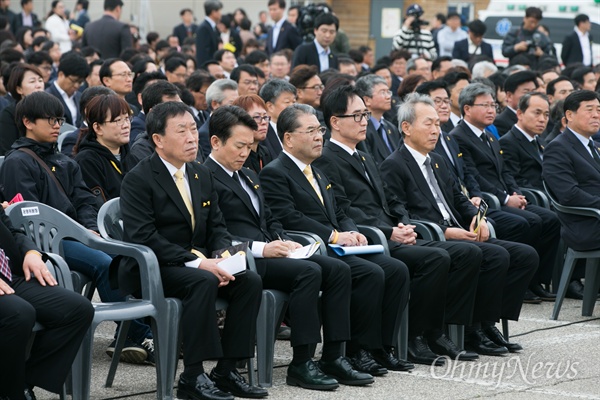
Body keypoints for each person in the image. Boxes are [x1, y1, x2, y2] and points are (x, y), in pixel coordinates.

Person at [205, 104, 373, 390]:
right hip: (242, 257)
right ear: (216, 142)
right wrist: (261, 248)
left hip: (271, 252)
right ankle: (302, 362)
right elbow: (214, 233)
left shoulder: (247, 175)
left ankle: (333, 355)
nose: (245, 152)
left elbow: (269, 219)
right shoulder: (205, 176)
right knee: (308, 273)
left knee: (337, 269)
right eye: (239, 145)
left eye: (250, 145)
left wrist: (283, 239)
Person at [314, 85, 482, 364]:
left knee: (466, 253)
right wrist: (389, 231)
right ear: (335, 121)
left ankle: (436, 332)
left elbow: (392, 200)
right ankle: (413, 337)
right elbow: (343, 208)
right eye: (357, 116)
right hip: (371, 237)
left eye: (365, 114)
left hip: (392, 233)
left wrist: (404, 224)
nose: (364, 121)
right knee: (435, 258)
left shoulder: (365, 156)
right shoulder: (326, 159)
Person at [119, 101, 267, 400]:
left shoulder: (200, 174)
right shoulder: (139, 178)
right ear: (158, 140)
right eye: (181, 131)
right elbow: (143, 235)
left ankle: (226, 371)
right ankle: (192, 376)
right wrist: (198, 263)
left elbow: (217, 228)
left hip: (197, 263)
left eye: (192, 128)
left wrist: (225, 255)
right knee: (204, 280)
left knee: (248, 279)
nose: (191, 137)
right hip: (154, 267)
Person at [0, 91, 155, 365]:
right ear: (27, 121)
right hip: (46, 242)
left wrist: (87, 228)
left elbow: (84, 199)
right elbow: (26, 213)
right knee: (105, 263)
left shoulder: (63, 159)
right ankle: (135, 334)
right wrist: (75, 232)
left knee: (126, 255)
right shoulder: (17, 161)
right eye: (49, 120)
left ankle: (141, 331)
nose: (57, 125)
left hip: (74, 235)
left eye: (59, 119)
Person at [380, 93, 538, 356]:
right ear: (406, 128)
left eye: (437, 125)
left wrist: (478, 218)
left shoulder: (439, 161)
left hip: (456, 231)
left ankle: (486, 322)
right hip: (431, 236)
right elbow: (400, 215)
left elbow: (460, 200)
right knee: (483, 254)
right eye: (428, 124)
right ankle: (459, 330)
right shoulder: (393, 166)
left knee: (524, 255)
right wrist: (444, 231)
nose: (435, 130)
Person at [260, 103, 412, 375]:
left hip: (337, 246)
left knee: (396, 269)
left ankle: (380, 348)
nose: (319, 136)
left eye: (319, 130)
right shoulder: (275, 171)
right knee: (369, 273)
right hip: (312, 248)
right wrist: (334, 235)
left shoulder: (317, 170)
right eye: (310, 131)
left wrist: (351, 231)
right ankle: (349, 351)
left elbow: (340, 209)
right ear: (288, 138)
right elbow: (289, 218)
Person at [449, 83, 560, 302]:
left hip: (503, 197)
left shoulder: (489, 136)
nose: (492, 110)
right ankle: (516, 281)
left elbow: (505, 171)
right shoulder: (459, 136)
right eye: (485, 105)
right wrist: (506, 198)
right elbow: (474, 177)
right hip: (487, 201)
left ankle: (535, 279)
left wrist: (516, 193)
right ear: (467, 109)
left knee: (550, 220)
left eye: (493, 105)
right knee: (524, 223)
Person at [0, 204, 94, 399]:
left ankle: (22, 384)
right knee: (19, 313)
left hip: (10, 276)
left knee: (77, 309)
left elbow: (11, 230)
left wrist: (31, 252)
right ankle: (10, 392)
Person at [73, 94, 132, 205]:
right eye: (118, 120)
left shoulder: (132, 156)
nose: (126, 125)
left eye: (127, 118)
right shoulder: (87, 161)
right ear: (98, 128)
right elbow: (98, 206)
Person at [499, 92, 550, 191]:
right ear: (520, 114)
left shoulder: (542, 142)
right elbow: (516, 180)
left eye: (546, 115)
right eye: (537, 113)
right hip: (535, 199)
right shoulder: (508, 142)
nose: (542, 119)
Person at [355, 74, 400, 166]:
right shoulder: (361, 128)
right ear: (367, 100)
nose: (388, 97)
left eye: (388, 92)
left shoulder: (391, 127)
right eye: (383, 92)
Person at [0, 63, 44, 156]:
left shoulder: (48, 111)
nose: (38, 85)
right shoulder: (9, 114)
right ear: (19, 89)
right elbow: (8, 150)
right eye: (32, 82)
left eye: (40, 80)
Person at [45, 52, 88, 127]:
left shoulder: (80, 97)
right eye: (73, 81)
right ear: (61, 74)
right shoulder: (46, 97)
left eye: (80, 82)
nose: (76, 86)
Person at [232, 95, 273, 172]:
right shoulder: (237, 155)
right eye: (257, 117)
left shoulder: (265, 152)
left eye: (265, 117)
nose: (263, 122)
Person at [259, 78, 296, 158]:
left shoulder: (297, 129)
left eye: (294, 102)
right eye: (287, 102)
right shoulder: (262, 133)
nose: (292, 106)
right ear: (270, 106)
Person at [494, 70, 538, 136]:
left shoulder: (538, 118)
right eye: (526, 92)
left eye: (534, 92)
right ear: (509, 96)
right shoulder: (500, 122)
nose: (531, 97)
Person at [195, 0, 222, 68]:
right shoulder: (204, 28)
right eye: (219, 11)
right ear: (213, 12)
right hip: (207, 66)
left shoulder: (213, 27)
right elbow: (202, 52)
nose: (220, 13)